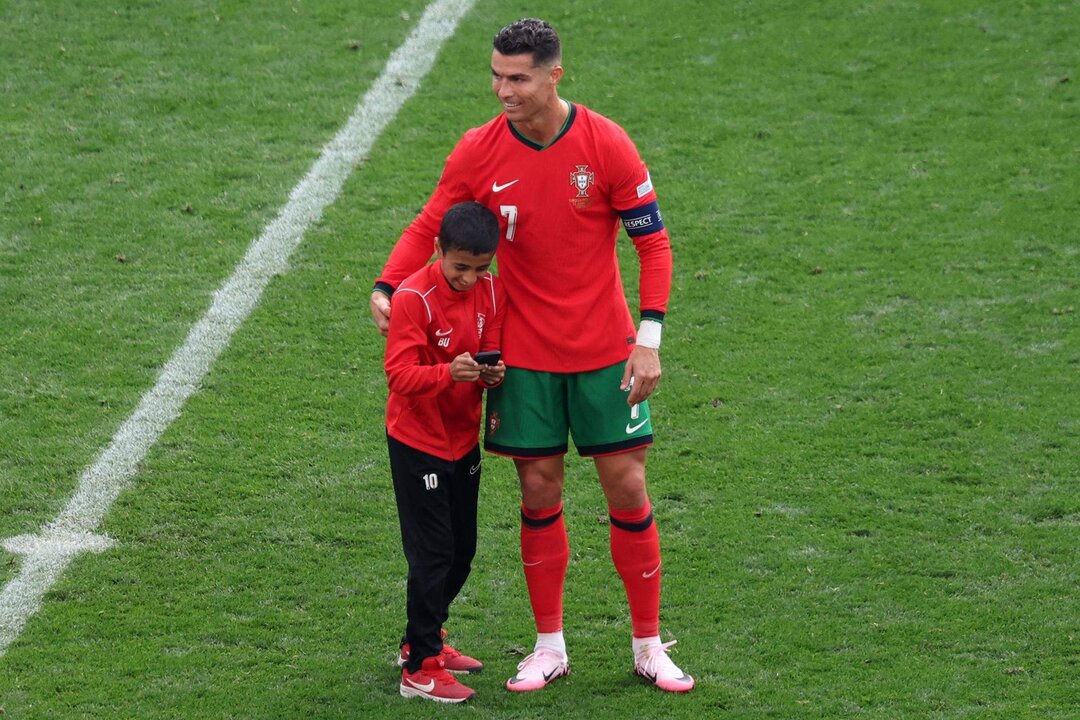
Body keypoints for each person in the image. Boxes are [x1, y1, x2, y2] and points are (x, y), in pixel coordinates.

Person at [370, 18, 693, 694]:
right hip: (521, 358)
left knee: (627, 488)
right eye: (496, 74)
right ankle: (549, 646)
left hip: (606, 353)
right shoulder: (479, 150)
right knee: (538, 490)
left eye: (516, 78)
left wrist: (649, 338)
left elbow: (653, 245)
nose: (501, 89)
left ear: (553, 75)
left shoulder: (605, 145)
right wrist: (388, 282)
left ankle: (646, 645)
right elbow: (432, 221)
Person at [384, 201, 506, 704]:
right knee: (432, 554)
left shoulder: (492, 291)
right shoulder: (414, 296)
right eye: (461, 267)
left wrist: (494, 373)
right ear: (438, 252)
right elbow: (399, 375)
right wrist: (446, 374)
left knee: (462, 552)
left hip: (463, 440)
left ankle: (423, 638)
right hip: (418, 444)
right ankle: (420, 667)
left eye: (481, 268)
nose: (470, 278)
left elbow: (493, 350)